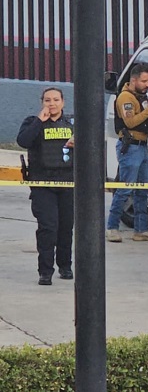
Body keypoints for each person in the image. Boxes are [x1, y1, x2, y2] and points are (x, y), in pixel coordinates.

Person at [16, 87, 75, 286]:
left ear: (63, 102)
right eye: (48, 100)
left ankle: (65, 266)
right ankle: (45, 271)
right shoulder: (32, 122)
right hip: (42, 184)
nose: (52, 104)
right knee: (48, 228)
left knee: (66, 228)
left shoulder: (72, 123)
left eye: (56, 100)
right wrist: (38, 122)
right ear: (42, 102)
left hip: (67, 182)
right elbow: (23, 141)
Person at [106, 63, 148, 243]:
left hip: (142, 146)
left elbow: (146, 119)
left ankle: (141, 229)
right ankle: (112, 227)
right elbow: (131, 122)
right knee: (125, 189)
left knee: (142, 190)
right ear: (133, 80)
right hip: (131, 147)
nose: (147, 84)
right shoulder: (125, 97)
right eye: (144, 81)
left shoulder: (141, 97)